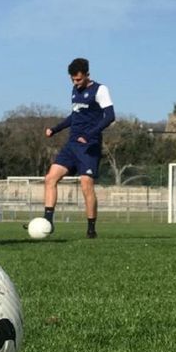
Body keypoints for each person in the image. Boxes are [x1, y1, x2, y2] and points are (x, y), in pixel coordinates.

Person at [40, 58, 115, 238]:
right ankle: (47, 223)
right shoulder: (75, 90)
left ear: (87, 75)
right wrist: (55, 129)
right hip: (72, 145)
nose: (76, 83)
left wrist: (89, 135)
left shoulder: (100, 90)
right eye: (73, 80)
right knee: (50, 178)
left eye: (79, 80)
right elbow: (75, 116)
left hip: (89, 146)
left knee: (86, 185)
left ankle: (91, 229)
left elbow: (110, 116)